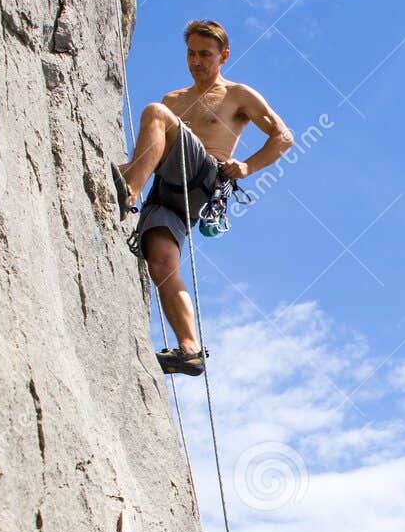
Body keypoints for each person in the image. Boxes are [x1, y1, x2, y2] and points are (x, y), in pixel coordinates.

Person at [112, 20, 293, 376]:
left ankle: (127, 194)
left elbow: (283, 136)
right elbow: (152, 149)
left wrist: (247, 166)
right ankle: (190, 350)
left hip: (203, 175)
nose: (196, 61)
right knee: (162, 264)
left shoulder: (237, 94)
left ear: (224, 56)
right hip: (168, 190)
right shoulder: (175, 99)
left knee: (154, 113)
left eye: (205, 55)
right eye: (191, 54)